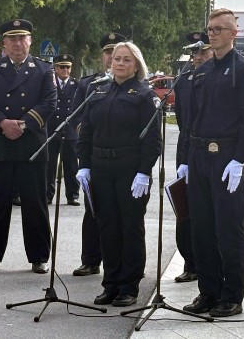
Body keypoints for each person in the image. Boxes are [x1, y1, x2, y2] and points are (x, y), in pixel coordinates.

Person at [181, 8, 244, 318]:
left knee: (228, 229)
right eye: (210, 29)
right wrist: (187, 158)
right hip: (200, 157)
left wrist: (240, 159)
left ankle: (232, 296)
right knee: (201, 229)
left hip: (227, 157)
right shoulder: (202, 72)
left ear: (233, 33)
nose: (212, 33)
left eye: (218, 29)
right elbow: (192, 119)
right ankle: (208, 291)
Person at [77, 41, 161, 307]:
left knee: (130, 227)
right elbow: (86, 131)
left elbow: (152, 140)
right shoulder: (98, 91)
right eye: (117, 59)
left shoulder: (144, 95)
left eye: (127, 59)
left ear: (136, 65)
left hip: (129, 170)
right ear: (110, 62)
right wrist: (84, 164)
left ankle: (129, 286)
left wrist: (143, 172)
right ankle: (110, 284)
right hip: (101, 167)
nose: (121, 63)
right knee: (107, 227)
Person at [0, 19, 57, 274]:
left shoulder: (43, 69)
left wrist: (22, 124)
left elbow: (50, 102)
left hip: (30, 144)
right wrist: (2, 123)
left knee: (35, 205)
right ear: (5, 43)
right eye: (12, 39)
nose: (18, 44)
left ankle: (39, 257)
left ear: (30, 41)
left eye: (22, 38)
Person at [70, 31, 126, 277]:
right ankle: (91, 259)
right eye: (107, 52)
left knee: (123, 212)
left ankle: (125, 262)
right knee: (93, 209)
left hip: (122, 159)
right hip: (94, 155)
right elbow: (76, 118)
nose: (111, 57)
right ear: (102, 56)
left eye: (116, 52)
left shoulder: (134, 85)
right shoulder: (88, 84)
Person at [172, 30, 212, 283]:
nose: (197, 56)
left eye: (202, 51)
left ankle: (207, 261)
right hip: (186, 148)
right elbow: (181, 118)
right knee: (184, 208)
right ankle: (189, 262)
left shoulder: (217, 76)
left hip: (209, 150)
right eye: (194, 52)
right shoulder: (184, 79)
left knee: (206, 209)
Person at [46, 54, 81, 206]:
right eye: (62, 67)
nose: (65, 70)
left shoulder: (76, 84)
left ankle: (72, 195)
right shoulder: (50, 84)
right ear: (55, 68)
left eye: (68, 67)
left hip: (70, 130)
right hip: (52, 129)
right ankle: (47, 194)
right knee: (49, 165)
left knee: (71, 164)